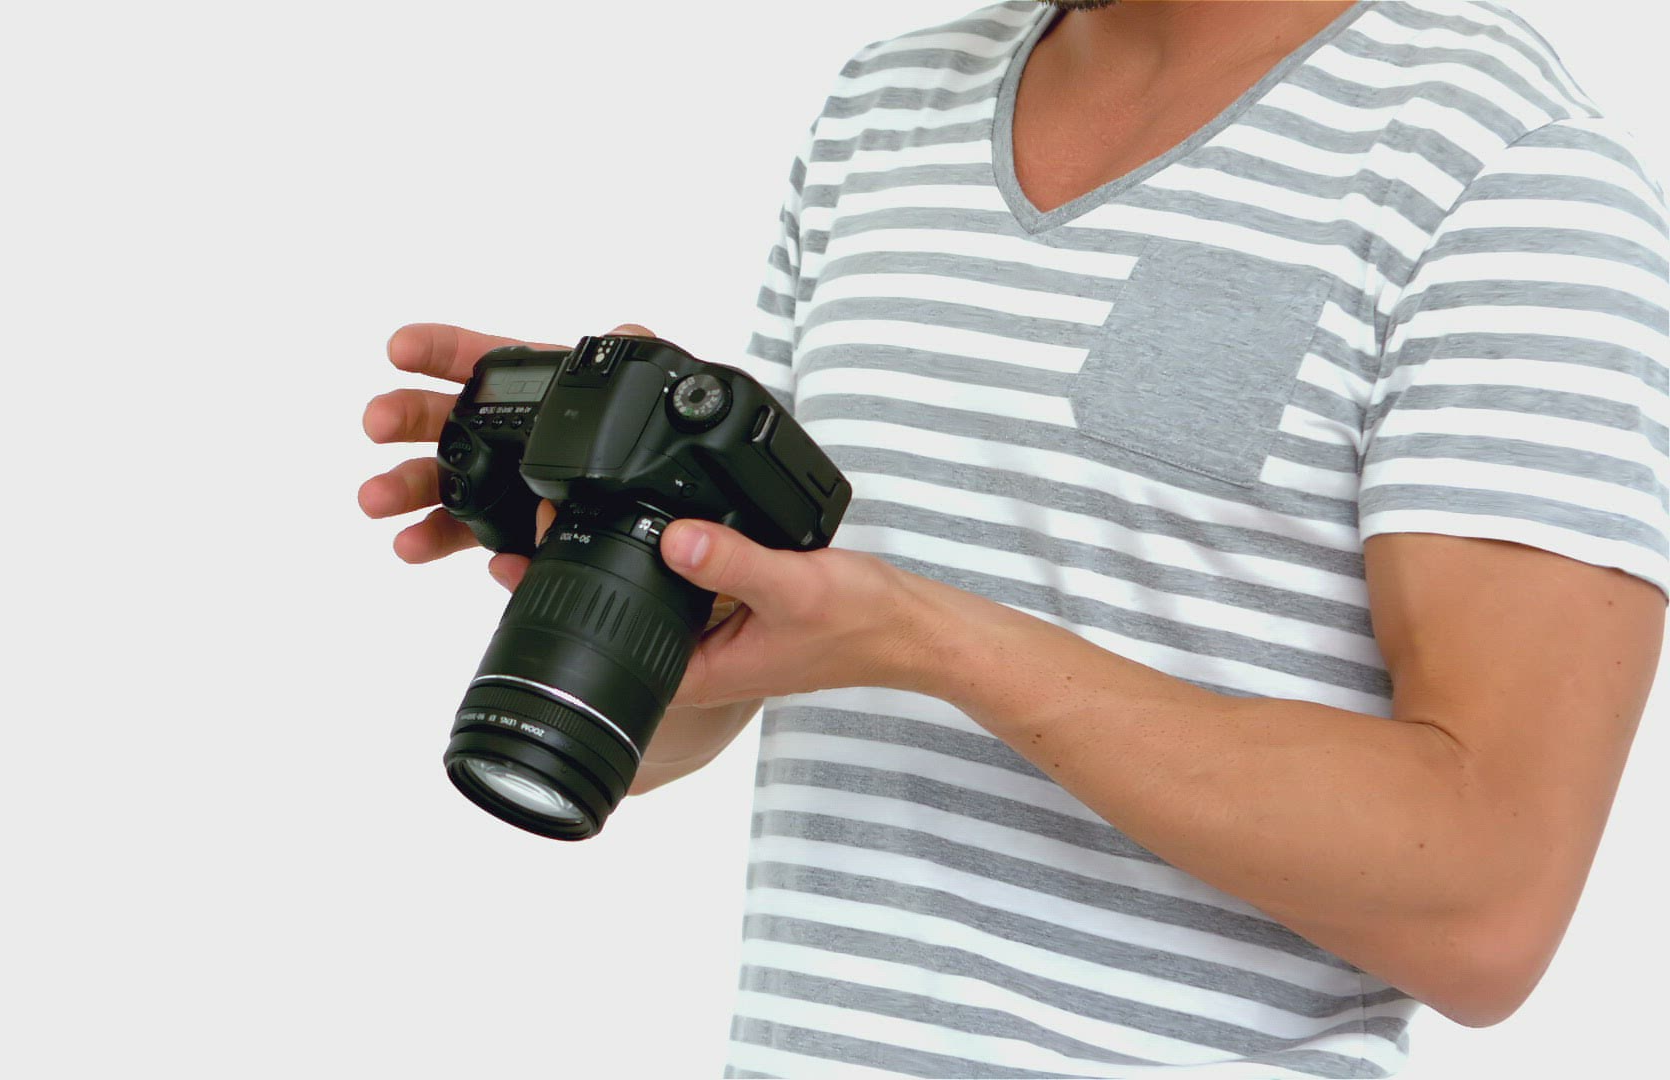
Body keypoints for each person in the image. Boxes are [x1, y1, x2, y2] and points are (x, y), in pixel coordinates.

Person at [361, 0, 1669, 1075]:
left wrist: (934, 643)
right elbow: (708, 715)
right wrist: (620, 535)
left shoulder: (1506, 166)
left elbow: (1489, 909)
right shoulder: (883, 108)